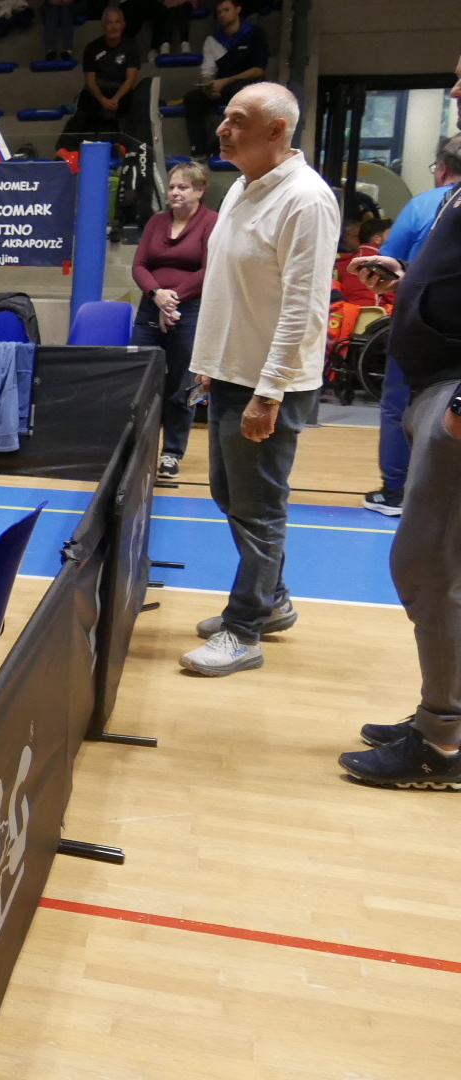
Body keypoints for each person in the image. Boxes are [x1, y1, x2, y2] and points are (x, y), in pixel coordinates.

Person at [180, 83, 338, 677]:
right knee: (234, 498)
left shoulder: (306, 200)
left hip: (268, 385)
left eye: (237, 120)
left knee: (259, 509)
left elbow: (303, 308)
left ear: (276, 131)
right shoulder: (242, 189)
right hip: (232, 374)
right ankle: (272, 600)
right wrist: (209, 363)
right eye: (224, 117)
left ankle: (244, 630)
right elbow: (233, 289)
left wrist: (269, 391)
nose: (222, 128)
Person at [339, 53, 461, 791]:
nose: (456, 89)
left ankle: (441, 741)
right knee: (438, 567)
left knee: (426, 566)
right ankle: (440, 717)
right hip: (434, 385)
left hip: (455, 396)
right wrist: (408, 284)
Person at [366, 134, 461, 517]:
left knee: (398, 406)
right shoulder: (444, 202)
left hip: (422, 333)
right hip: (444, 339)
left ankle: (395, 492)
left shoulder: (425, 203)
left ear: (442, 168)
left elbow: (388, 257)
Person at [130, 160, 217, 480]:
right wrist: (157, 295)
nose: (175, 193)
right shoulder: (156, 222)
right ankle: (137, 448)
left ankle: (171, 453)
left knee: (184, 383)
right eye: (171, 187)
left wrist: (174, 298)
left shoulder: (212, 222)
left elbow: (209, 269)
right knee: (140, 376)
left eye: (183, 187)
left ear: (200, 190)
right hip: (150, 308)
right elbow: (139, 265)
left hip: (189, 310)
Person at [183, 0, 267, 159]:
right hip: (223, 87)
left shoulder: (255, 34)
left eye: (226, 10)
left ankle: (237, 145)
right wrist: (207, 87)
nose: (222, 14)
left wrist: (226, 81)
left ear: (237, 9)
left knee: (240, 91)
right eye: (219, 12)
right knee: (192, 98)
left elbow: (259, 70)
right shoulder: (213, 40)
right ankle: (199, 151)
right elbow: (207, 72)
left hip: (248, 87)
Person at [59, 5, 142, 152]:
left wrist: (114, 101)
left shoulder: (131, 45)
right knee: (82, 109)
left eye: (117, 22)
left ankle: (127, 149)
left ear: (123, 25)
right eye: (109, 23)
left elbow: (130, 79)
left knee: (135, 107)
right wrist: (104, 101)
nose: (113, 27)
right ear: (103, 26)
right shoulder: (92, 48)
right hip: (98, 92)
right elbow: (90, 81)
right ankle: (64, 151)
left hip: (121, 91)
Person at [336, 218, 390, 308]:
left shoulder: (344, 261)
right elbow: (393, 295)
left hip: (348, 313)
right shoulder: (381, 260)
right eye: (390, 235)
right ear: (377, 239)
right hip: (376, 312)